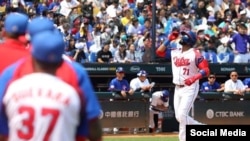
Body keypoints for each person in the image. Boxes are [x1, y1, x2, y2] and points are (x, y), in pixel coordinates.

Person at [0, 31, 103, 141]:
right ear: (60, 62)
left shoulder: (13, 88)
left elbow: (3, 134)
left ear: (32, 57)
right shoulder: (72, 94)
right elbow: (94, 133)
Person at [156, 30, 210, 141]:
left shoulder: (195, 53)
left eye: (184, 35)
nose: (181, 36)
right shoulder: (175, 51)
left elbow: (206, 70)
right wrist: (169, 39)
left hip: (190, 87)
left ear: (189, 40)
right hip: (177, 87)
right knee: (179, 117)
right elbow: (159, 52)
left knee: (182, 115)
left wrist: (194, 78)